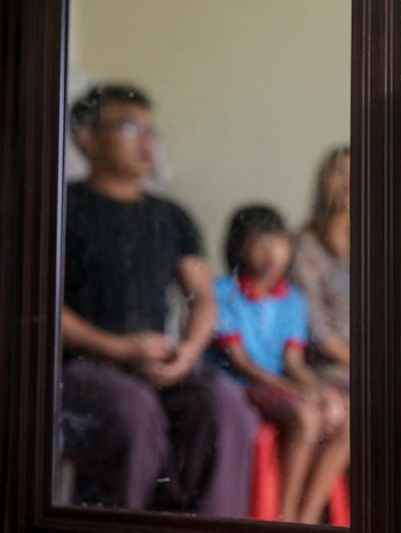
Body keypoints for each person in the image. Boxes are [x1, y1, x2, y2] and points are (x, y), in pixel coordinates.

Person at [60, 84, 259, 516]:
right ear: (86, 137)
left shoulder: (171, 216)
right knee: (133, 410)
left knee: (227, 407)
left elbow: (203, 298)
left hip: (159, 362)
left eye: (152, 130)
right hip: (80, 366)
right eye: (130, 127)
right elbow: (39, 307)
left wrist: (186, 353)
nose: (147, 141)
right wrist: (117, 347)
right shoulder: (60, 206)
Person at [212, 204, 349, 524]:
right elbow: (241, 362)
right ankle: (284, 518)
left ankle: (308, 515)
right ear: (238, 248)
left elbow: (293, 361)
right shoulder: (223, 292)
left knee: (346, 415)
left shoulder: (292, 300)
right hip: (240, 385)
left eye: (278, 241)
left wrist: (319, 390)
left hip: (276, 382)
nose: (272, 251)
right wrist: (296, 391)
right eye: (259, 242)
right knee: (305, 417)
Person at [289, 147, 351, 387]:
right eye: (340, 171)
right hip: (327, 364)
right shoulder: (306, 245)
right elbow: (315, 325)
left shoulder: (376, 244)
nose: (348, 180)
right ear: (323, 183)